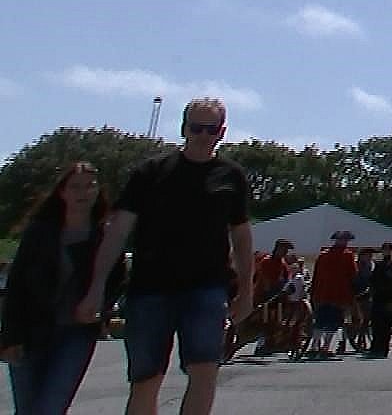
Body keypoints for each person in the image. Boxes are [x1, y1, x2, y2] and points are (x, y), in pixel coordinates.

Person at [78, 98, 253, 415]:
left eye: (210, 129)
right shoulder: (150, 172)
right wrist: (96, 286)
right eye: (195, 128)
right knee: (146, 379)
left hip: (207, 288)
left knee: (205, 371)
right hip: (150, 288)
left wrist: (246, 289)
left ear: (222, 132)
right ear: (183, 128)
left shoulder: (231, 176)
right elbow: (117, 232)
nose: (202, 135)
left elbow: (241, 235)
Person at [1, 162, 125, 415]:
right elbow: (17, 285)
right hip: (31, 330)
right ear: (62, 192)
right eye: (75, 187)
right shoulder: (41, 232)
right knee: (27, 408)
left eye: (90, 186)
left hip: (76, 334)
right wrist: (10, 336)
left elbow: (116, 281)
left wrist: (101, 309)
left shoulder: (104, 237)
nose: (83, 193)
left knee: (50, 407)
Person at [307, 231, 355, 359]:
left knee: (320, 320)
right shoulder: (347, 256)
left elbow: (316, 276)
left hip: (323, 293)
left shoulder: (323, 255)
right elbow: (352, 275)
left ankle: (314, 346)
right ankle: (324, 347)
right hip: (339, 293)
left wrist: (314, 292)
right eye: (343, 240)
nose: (344, 242)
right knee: (333, 321)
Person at [363, 243, 392, 357]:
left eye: (388, 250)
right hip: (378, 297)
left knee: (386, 325)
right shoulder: (379, 265)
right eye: (384, 250)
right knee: (376, 324)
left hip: (390, 297)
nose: (386, 252)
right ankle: (375, 347)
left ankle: (383, 348)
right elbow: (372, 280)